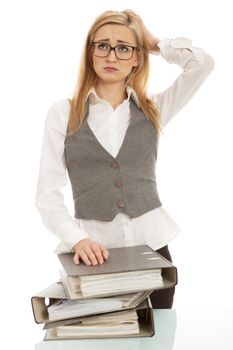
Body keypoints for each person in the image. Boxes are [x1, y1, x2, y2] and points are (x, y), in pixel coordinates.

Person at [35, 9, 214, 308]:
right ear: (90, 52)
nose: (112, 56)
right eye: (102, 45)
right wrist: (77, 239)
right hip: (93, 259)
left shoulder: (154, 108)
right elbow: (47, 196)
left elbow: (203, 64)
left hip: (154, 252)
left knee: (154, 338)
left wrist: (154, 43)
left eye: (124, 48)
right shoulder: (62, 113)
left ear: (136, 57)